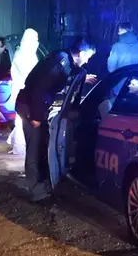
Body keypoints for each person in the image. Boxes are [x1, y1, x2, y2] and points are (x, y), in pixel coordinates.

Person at [15, 37, 96, 201]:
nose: (88, 60)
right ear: (80, 53)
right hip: (30, 106)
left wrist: (81, 78)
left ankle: (42, 185)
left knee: (42, 145)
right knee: (35, 148)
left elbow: (60, 78)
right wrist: (36, 117)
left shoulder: (64, 60)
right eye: (88, 56)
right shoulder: (60, 62)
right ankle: (35, 190)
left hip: (35, 106)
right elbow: (39, 89)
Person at [7, 29, 41, 154]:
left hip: (28, 93)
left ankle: (20, 145)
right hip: (22, 94)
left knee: (23, 121)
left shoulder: (30, 54)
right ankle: (19, 147)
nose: (37, 42)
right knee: (22, 121)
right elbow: (30, 75)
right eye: (35, 39)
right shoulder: (22, 56)